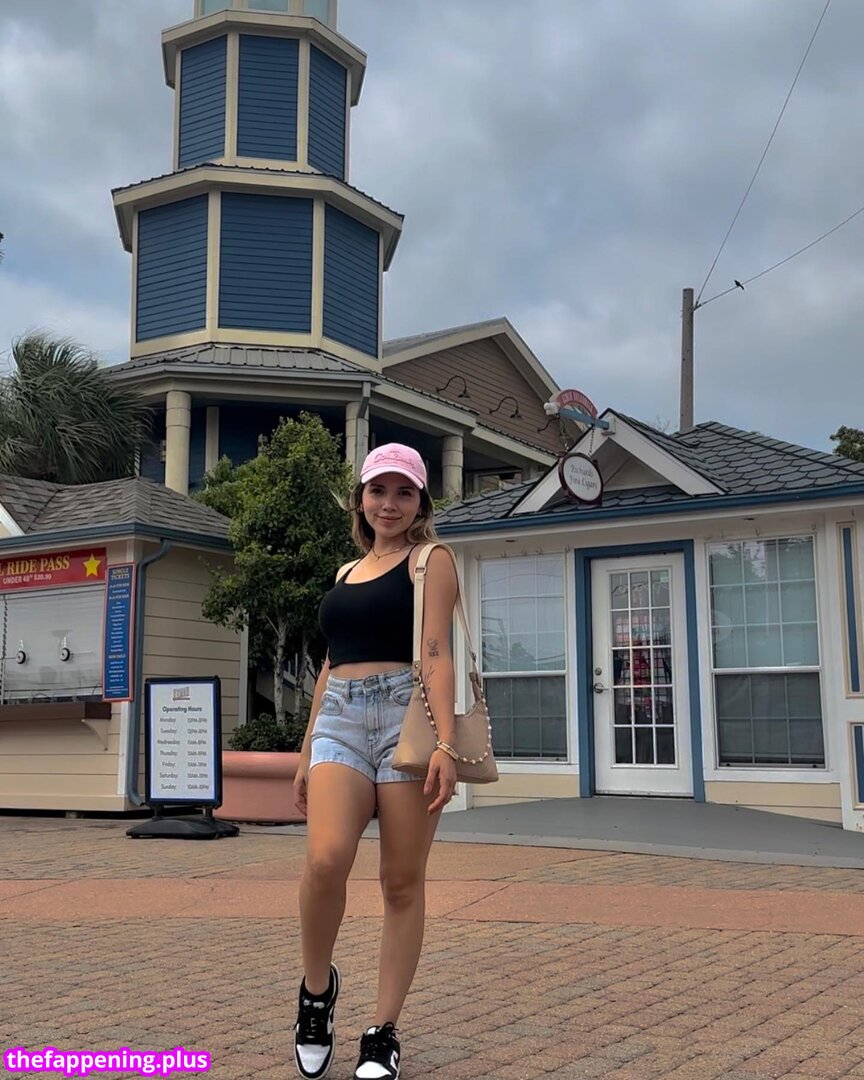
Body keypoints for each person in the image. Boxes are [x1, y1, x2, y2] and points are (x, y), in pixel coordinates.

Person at [292, 443, 459, 1080]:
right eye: (378, 491)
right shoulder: (345, 572)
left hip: (405, 720)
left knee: (401, 881)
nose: (389, 504)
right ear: (360, 499)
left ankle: (383, 1031)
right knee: (325, 860)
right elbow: (329, 664)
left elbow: (436, 651)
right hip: (339, 719)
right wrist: (307, 749)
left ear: (421, 502)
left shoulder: (431, 561)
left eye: (403, 492)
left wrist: (445, 742)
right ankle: (316, 993)